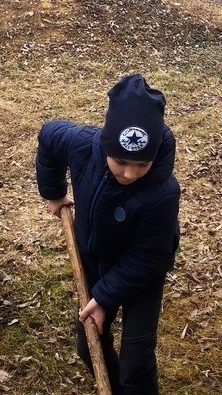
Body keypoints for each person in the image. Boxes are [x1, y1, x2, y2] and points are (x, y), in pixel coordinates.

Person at [36, 74, 180, 395]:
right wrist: (54, 192)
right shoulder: (82, 147)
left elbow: (148, 258)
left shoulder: (163, 192)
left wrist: (104, 297)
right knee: (90, 347)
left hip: (142, 276)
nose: (130, 173)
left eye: (142, 164)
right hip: (95, 262)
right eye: (121, 161)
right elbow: (48, 136)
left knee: (137, 362)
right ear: (106, 145)